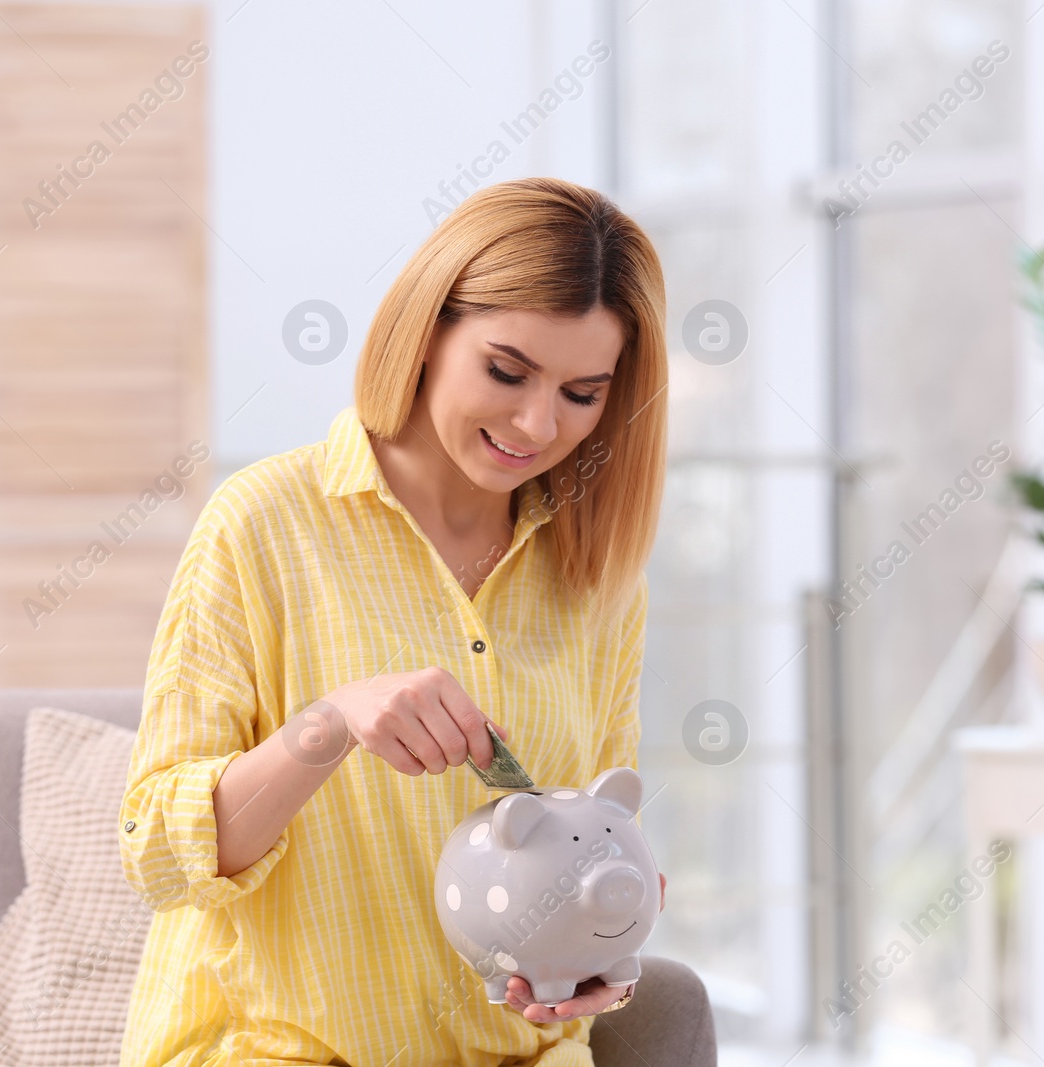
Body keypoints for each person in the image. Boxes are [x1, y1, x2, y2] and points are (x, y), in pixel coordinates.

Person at [118, 176, 671, 1066]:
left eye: (583, 391)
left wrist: (600, 944)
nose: (537, 422)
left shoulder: (599, 575)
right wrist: (328, 726)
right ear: (427, 330)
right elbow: (157, 854)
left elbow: (589, 824)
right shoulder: (263, 522)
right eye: (507, 370)